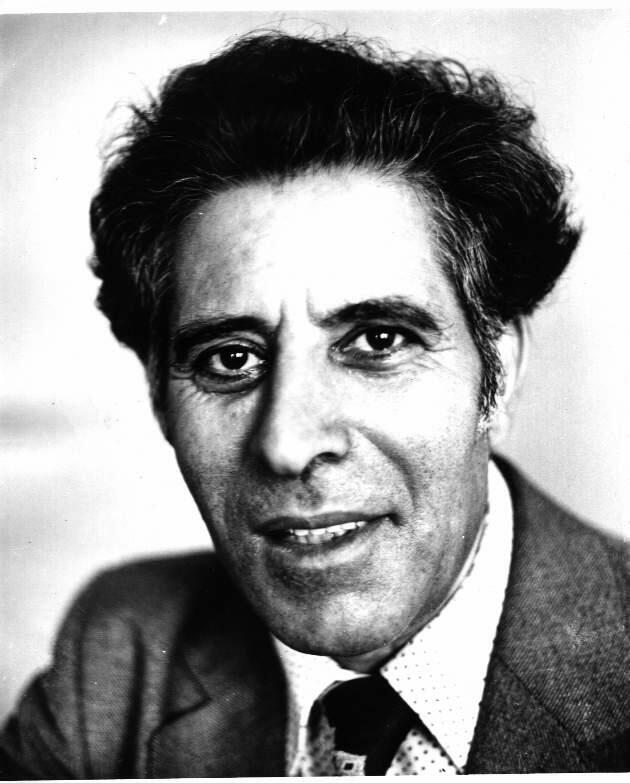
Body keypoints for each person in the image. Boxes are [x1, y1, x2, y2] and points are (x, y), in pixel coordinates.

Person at [1, 30, 628, 777]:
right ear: (160, 399)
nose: (289, 443)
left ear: (502, 366)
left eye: (378, 340)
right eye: (231, 358)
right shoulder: (118, 651)